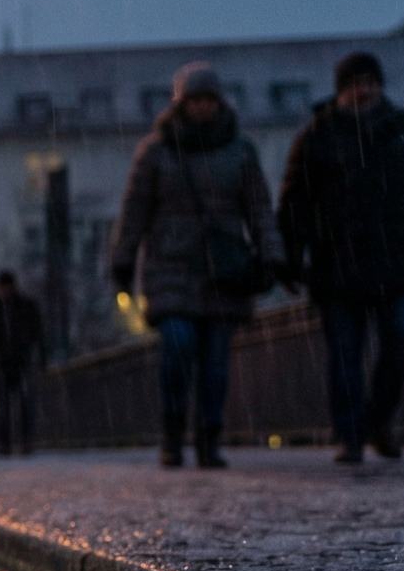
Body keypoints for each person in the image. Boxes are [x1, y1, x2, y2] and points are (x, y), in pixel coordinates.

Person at [107, 62, 281, 469]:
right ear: (181, 104)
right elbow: (134, 211)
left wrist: (272, 254)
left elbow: (258, 209)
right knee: (178, 346)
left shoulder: (239, 150)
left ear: (218, 103)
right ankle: (172, 432)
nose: (202, 108)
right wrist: (122, 260)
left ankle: (209, 437)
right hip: (170, 267)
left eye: (208, 100)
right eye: (195, 100)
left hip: (223, 271)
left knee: (216, 361)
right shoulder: (156, 151)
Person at [278, 50, 404, 463]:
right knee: (344, 356)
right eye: (354, 84)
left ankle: (378, 419)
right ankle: (350, 435)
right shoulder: (317, 136)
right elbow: (295, 204)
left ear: (379, 85)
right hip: (338, 263)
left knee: (402, 342)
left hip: (398, 258)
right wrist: (291, 259)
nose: (363, 91)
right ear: (341, 91)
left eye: (369, 82)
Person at [0, 270, 46, 456]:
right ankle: (5, 444)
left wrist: (41, 358)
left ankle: (24, 442)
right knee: (3, 407)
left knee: (23, 404)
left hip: (21, 362)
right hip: (0, 365)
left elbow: (38, 334)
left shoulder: (26, 307)